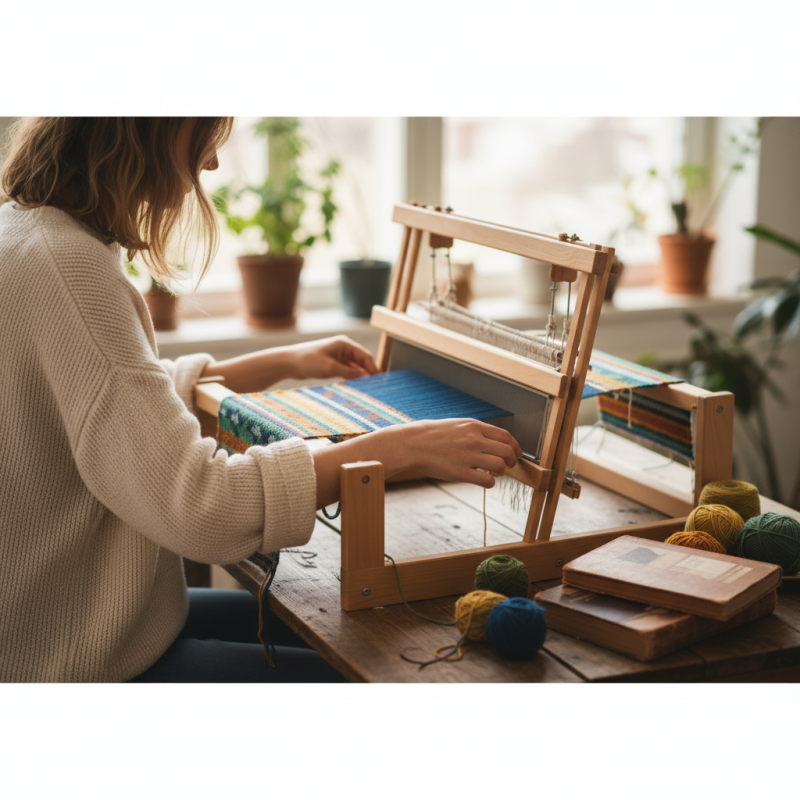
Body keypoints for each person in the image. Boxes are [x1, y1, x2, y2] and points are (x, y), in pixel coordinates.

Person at [0, 117, 522, 683]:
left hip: (72, 626)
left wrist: (278, 363)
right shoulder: (67, 267)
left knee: (352, 634)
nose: (212, 163)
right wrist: (397, 450)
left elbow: (109, 404)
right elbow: (203, 508)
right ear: (147, 130)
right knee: (384, 671)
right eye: (203, 136)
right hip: (72, 659)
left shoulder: (26, 233)